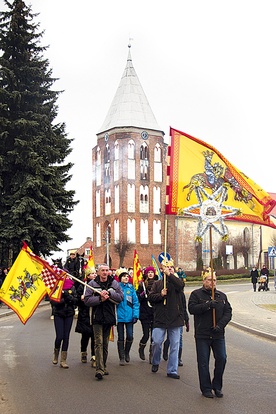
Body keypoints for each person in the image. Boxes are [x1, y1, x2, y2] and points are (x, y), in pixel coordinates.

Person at [188, 273, 232, 398]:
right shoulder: (196, 294)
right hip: (203, 334)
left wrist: (220, 326)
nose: (212, 282)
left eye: (214, 280)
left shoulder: (221, 296)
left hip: (218, 334)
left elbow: (228, 313)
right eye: (209, 280)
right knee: (203, 362)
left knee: (222, 358)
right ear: (204, 281)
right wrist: (208, 305)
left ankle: (217, 386)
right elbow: (192, 309)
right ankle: (206, 388)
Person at [84, 263, 123, 380]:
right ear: (99, 272)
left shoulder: (114, 284)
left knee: (105, 343)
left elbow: (120, 298)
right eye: (103, 270)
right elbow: (87, 300)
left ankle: (103, 366)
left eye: (107, 270)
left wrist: (110, 293)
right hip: (97, 317)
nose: (105, 272)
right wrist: (99, 299)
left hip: (109, 317)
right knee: (98, 342)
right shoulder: (92, 284)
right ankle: (99, 369)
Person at [148, 259, 185, 379]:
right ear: (163, 270)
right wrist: (161, 295)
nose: (170, 269)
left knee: (175, 344)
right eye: (167, 268)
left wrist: (170, 276)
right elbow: (151, 298)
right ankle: (155, 361)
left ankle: (172, 370)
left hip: (175, 319)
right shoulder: (158, 284)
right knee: (157, 342)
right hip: (160, 319)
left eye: (171, 268)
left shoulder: (177, 282)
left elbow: (180, 286)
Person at [51, 276, 78, 368]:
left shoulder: (72, 287)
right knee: (59, 336)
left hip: (69, 314)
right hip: (58, 314)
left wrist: (68, 296)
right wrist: (63, 299)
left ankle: (63, 360)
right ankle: (56, 353)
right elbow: (53, 301)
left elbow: (75, 300)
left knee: (66, 337)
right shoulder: (56, 286)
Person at [116, 268, 140, 365]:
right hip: (120, 317)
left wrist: (135, 315)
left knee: (130, 336)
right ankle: (121, 357)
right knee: (121, 337)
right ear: (120, 278)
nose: (126, 278)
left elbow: (135, 303)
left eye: (127, 276)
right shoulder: (117, 288)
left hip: (130, 317)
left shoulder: (131, 288)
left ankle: (127, 352)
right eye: (124, 276)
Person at [75, 267, 97, 367]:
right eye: (92, 273)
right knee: (85, 336)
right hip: (84, 314)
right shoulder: (82, 286)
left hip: (94, 314)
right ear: (88, 276)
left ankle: (94, 356)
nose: (94, 275)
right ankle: (83, 352)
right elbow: (77, 300)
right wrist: (81, 299)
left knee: (94, 337)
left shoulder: (97, 285)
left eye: (95, 273)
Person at [136, 266, 157, 363]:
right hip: (145, 312)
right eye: (149, 272)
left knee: (154, 336)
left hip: (155, 313)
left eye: (152, 272)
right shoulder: (142, 285)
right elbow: (137, 298)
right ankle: (141, 347)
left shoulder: (158, 284)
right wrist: (141, 295)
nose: (150, 274)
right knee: (146, 334)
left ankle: (151, 354)